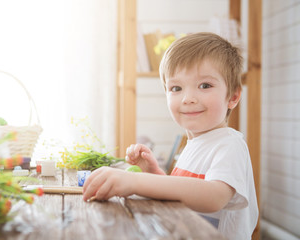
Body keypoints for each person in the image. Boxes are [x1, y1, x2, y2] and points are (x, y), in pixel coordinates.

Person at [82, 32, 258, 240]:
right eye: (176, 88)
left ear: (233, 96)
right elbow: (183, 196)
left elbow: (214, 197)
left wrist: (135, 181)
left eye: (205, 85)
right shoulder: (193, 145)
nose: (188, 98)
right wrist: (154, 174)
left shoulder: (229, 144)